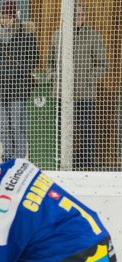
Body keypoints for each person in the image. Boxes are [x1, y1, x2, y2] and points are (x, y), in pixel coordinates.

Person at [48, 2, 107, 170]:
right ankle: (63, 164)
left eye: (81, 15)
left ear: (85, 16)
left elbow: (102, 64)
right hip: (61, 93)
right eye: (75, 15)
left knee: (86, 130)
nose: (78, 18)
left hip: (84, 94)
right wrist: (55, 78)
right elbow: (50, 63)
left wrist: (88, 79)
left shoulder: (93, 36)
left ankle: (88, 165)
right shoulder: (57, 36)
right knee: (61, 131)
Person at [0, 0, 38, 160]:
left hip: (18, 86)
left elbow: (34, 57)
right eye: (3, 16)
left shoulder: (25, 34)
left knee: (17, 125)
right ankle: (8, 157)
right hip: (0, 86)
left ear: (15, 17)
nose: (5, 20)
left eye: (9, 16)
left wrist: (21, 71)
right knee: (4, 127)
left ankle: (20, 158)